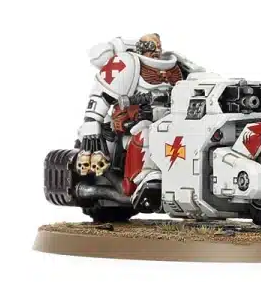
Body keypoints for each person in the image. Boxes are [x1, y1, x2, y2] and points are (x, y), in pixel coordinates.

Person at [76, 33, 202, 205]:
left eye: (157, 48)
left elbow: (200, 80)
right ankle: (143, 177)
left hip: (172, 123)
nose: (156, 52)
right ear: (140, 49)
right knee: (146, 132)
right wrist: (92, 122)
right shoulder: (129, 64)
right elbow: (102, 95)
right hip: (135, 124)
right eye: (150, 48)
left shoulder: (176, 66)